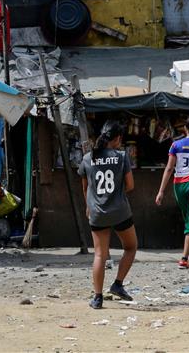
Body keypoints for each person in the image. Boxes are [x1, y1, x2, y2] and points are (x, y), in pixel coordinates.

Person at [79, 121, 137, 310]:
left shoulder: (88, 158)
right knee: (130, 247)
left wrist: (89, 205)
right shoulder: (121, 157)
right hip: (120, 211)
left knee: (100, 255)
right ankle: (118, 284)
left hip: (97, 212)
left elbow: (85, 187)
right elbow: (130, 186)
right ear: (118, 138)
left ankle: (97, 298)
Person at [155, 112, 189, 270]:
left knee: (188, 213)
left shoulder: (176, 145)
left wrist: (161, 191)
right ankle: (184, 258)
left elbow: (169, 168)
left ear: (185, 128)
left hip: (178, 185)